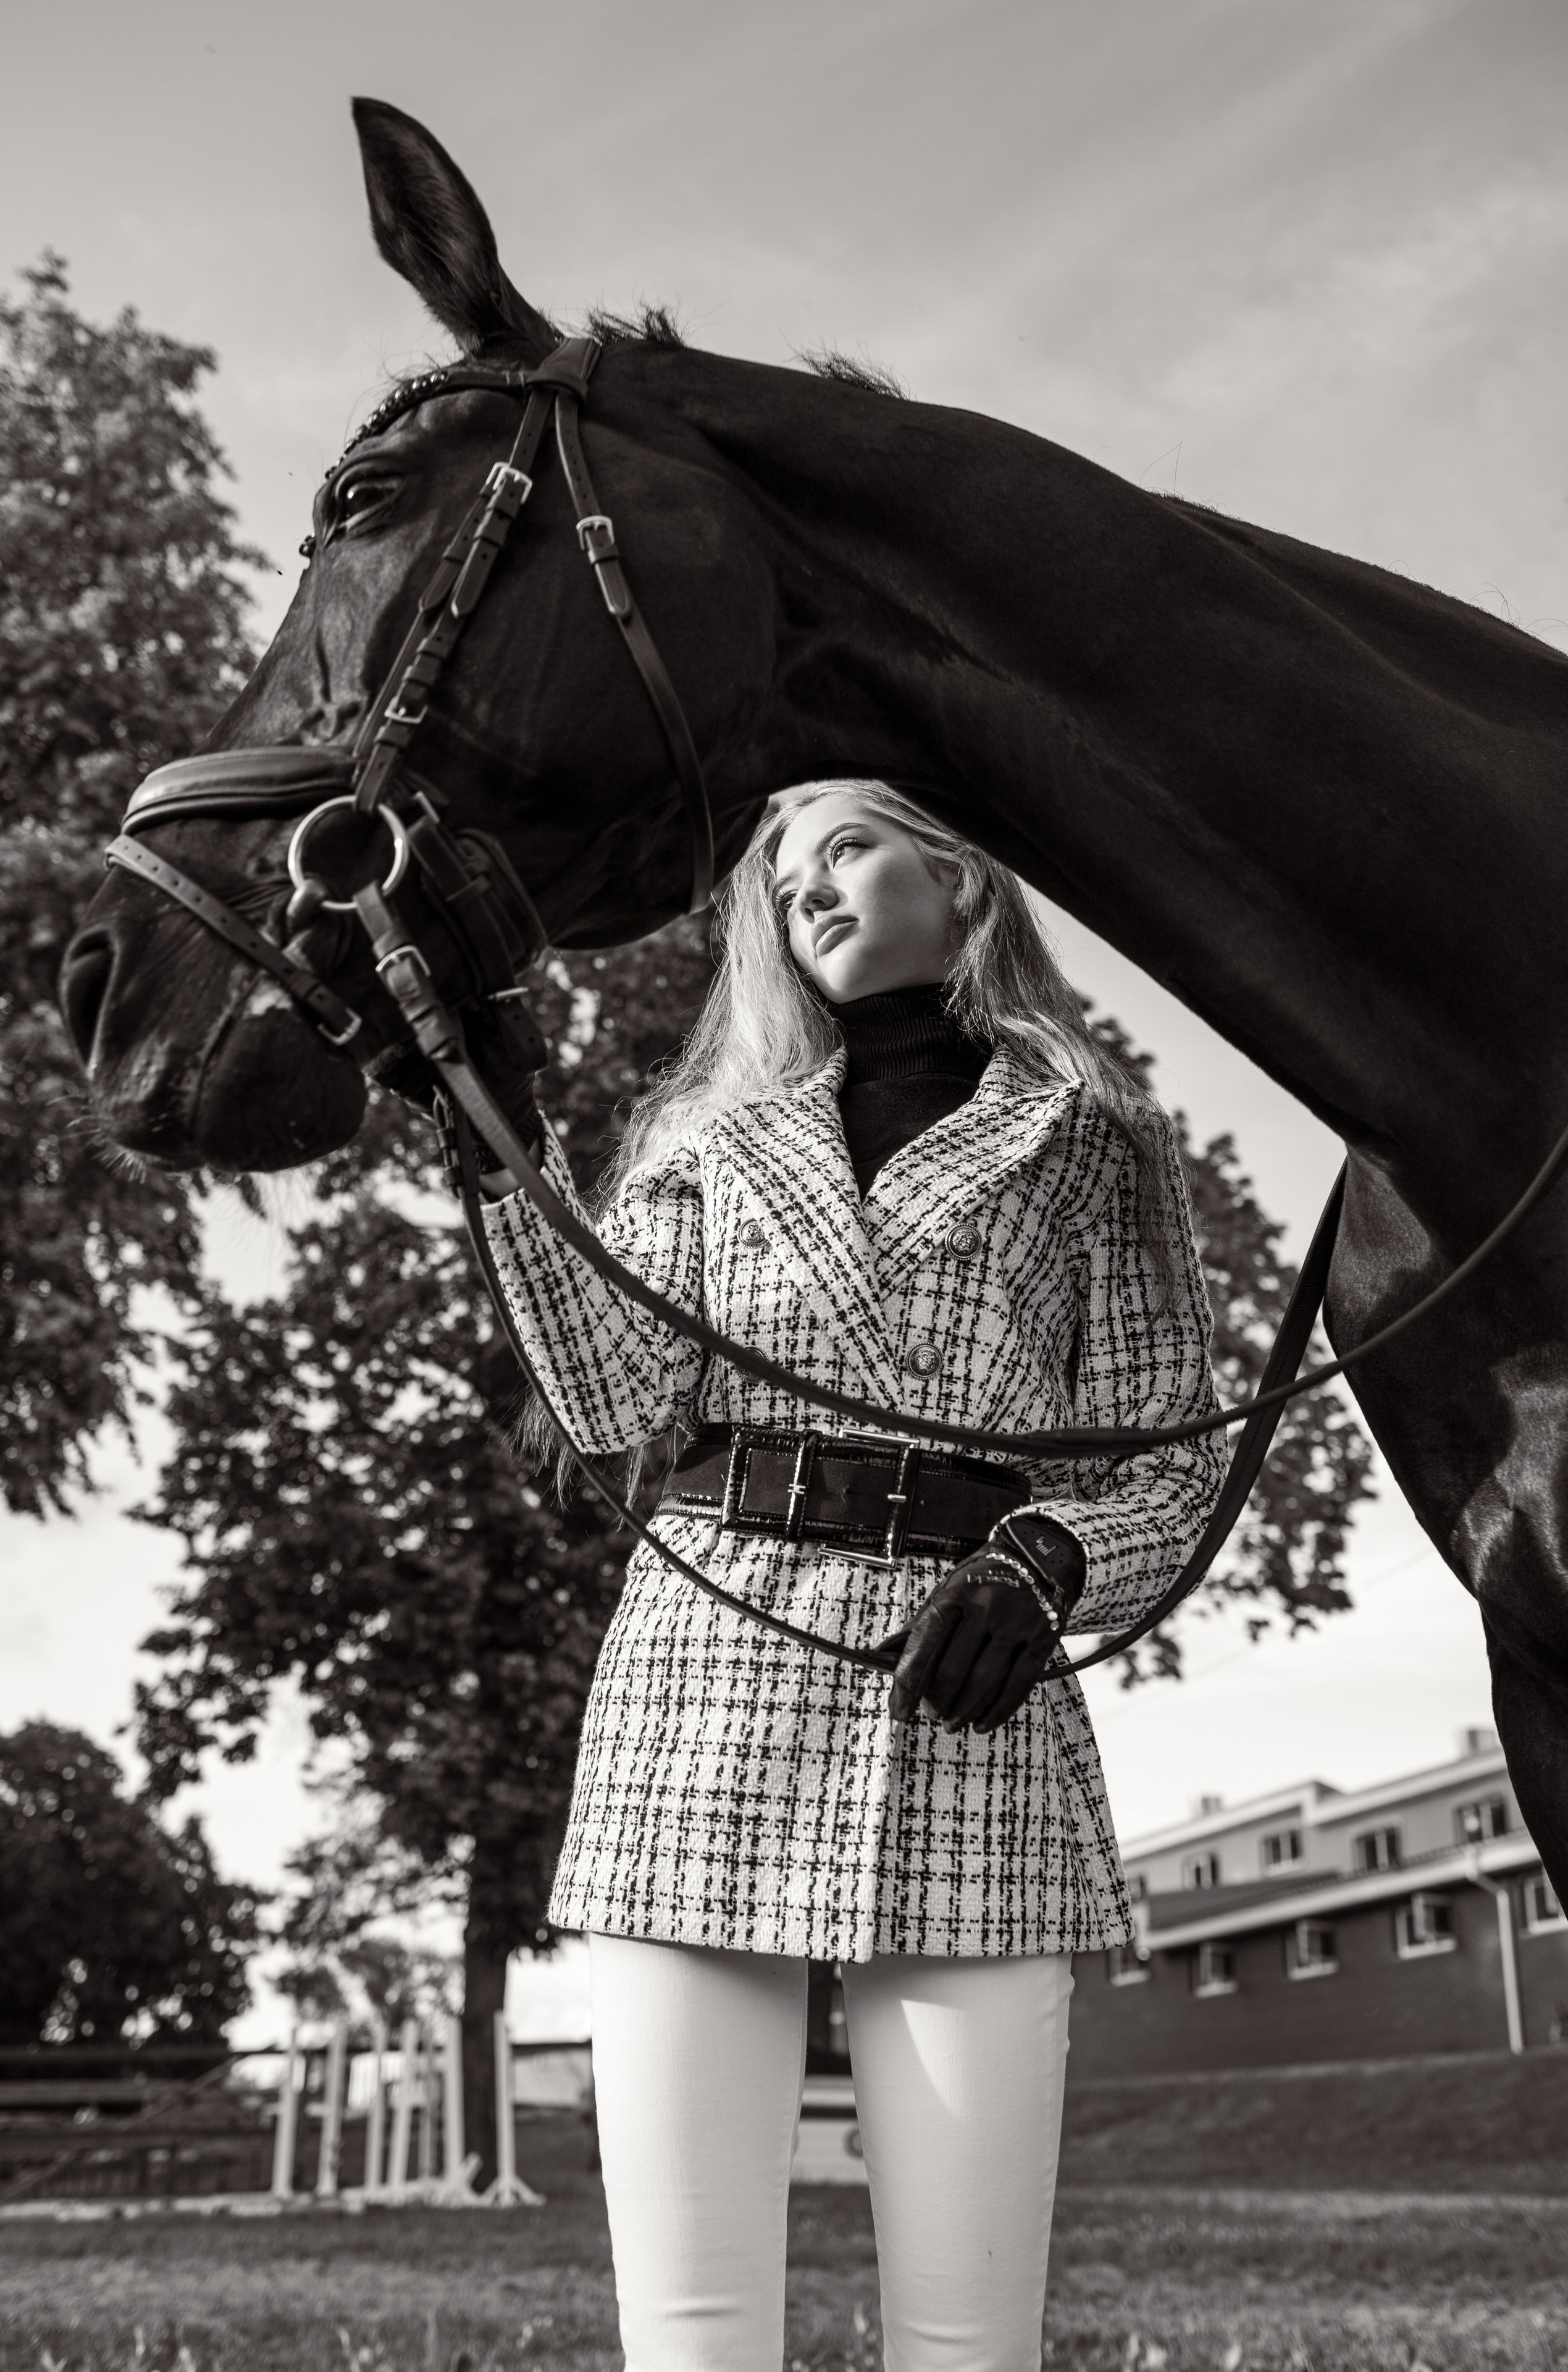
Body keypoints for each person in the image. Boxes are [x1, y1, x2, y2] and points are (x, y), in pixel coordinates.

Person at [482, 780, 1224, 2372]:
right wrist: (498, 1132)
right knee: (692, 2332)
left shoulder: (1094, 1140)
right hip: (702, 1686)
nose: (806, 888)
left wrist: (1050, 1563)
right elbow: (610, 1398)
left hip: (967, 1691)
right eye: (782, 870)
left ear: (958, 874)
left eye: (847, 846)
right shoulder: (707, 1142)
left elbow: (1171, 1456)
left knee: (971, 2336)